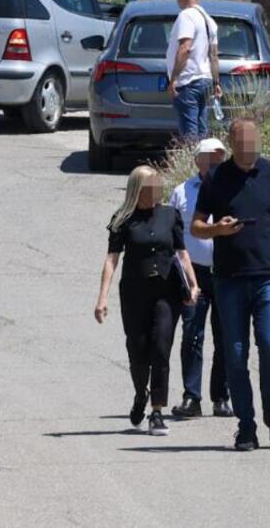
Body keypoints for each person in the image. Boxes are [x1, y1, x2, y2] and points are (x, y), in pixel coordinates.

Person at [192, 118, 270, 451]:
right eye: (242, 141)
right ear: (232, 143)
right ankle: (246, 426)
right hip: (229, 280)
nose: (249, 146)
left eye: (253, 139)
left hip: (268, 277)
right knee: (235, 354)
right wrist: (218, 229)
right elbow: (196, 227)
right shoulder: (216, 178)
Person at [94, 165, 200, 436]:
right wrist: (102, 297)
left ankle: (156, 411)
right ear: (137, 189)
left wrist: (193, 283)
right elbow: (112, 258)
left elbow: (182, 252)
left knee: (161, 347)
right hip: (135, 293)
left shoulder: (169, 215)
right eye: (149, 185)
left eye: (157, 185)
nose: (155, 190)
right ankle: (140, 394)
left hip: (167, 292)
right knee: (138, 350)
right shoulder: (123, 219)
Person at [169, 138, 233, 419]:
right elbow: (172, 235)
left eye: (220, 159)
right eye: (210, 159)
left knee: (226, 337)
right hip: (193, 274)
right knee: (192, 335)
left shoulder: (232, 191)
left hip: (226, 273)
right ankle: (191, 397)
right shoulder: (182, 192)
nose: (215, 163)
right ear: (197, 161)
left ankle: (221, 397)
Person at [166, 0, 222, 140]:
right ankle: (206, 162)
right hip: (205, 79)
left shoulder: (186, 16)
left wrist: (174, 79)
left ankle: (191, 162)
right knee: (201, 129)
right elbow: (214, 55)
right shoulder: (208, 20)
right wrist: (216, 82)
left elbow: (185, 48)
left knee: (189, 133)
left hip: (188, 81)